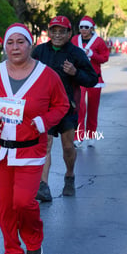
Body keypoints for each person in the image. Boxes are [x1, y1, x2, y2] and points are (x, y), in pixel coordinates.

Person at [0, 23, 69, 254]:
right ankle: (13, 250)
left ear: (30, 45)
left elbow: (62, 105)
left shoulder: (47, 75)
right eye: (10, 42)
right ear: (4, 46)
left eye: (20, 42)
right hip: (0, 152)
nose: (15, 47)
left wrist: (44, 122)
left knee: (24, 202)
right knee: (4, 206)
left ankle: (34, 242)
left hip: (30, 152)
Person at [31, 16, 98, 202]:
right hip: (45, 108)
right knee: (45, 146)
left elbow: (92, 79)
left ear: (70, 33)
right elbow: (26, 71)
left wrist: (75, 73)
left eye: (62, 31)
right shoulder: (40, 51)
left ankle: (69, 175)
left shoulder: (76, 53)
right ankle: (43, 185)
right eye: (54, 31)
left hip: (68, 107)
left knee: (68, 147)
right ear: (49, 32)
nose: (58, 35)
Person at [71, 16, 109, 148]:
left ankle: (91, 135)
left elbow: (105, 58)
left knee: (93, 108)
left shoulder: (98, 41)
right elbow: (70, 53)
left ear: (91, 28)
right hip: (80, 78)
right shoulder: (75, 39)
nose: (83, 30)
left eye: (86, 27)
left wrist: (92, 54)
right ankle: (78, 136)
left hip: (95, 79)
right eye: (81, 27)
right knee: (80, 108)